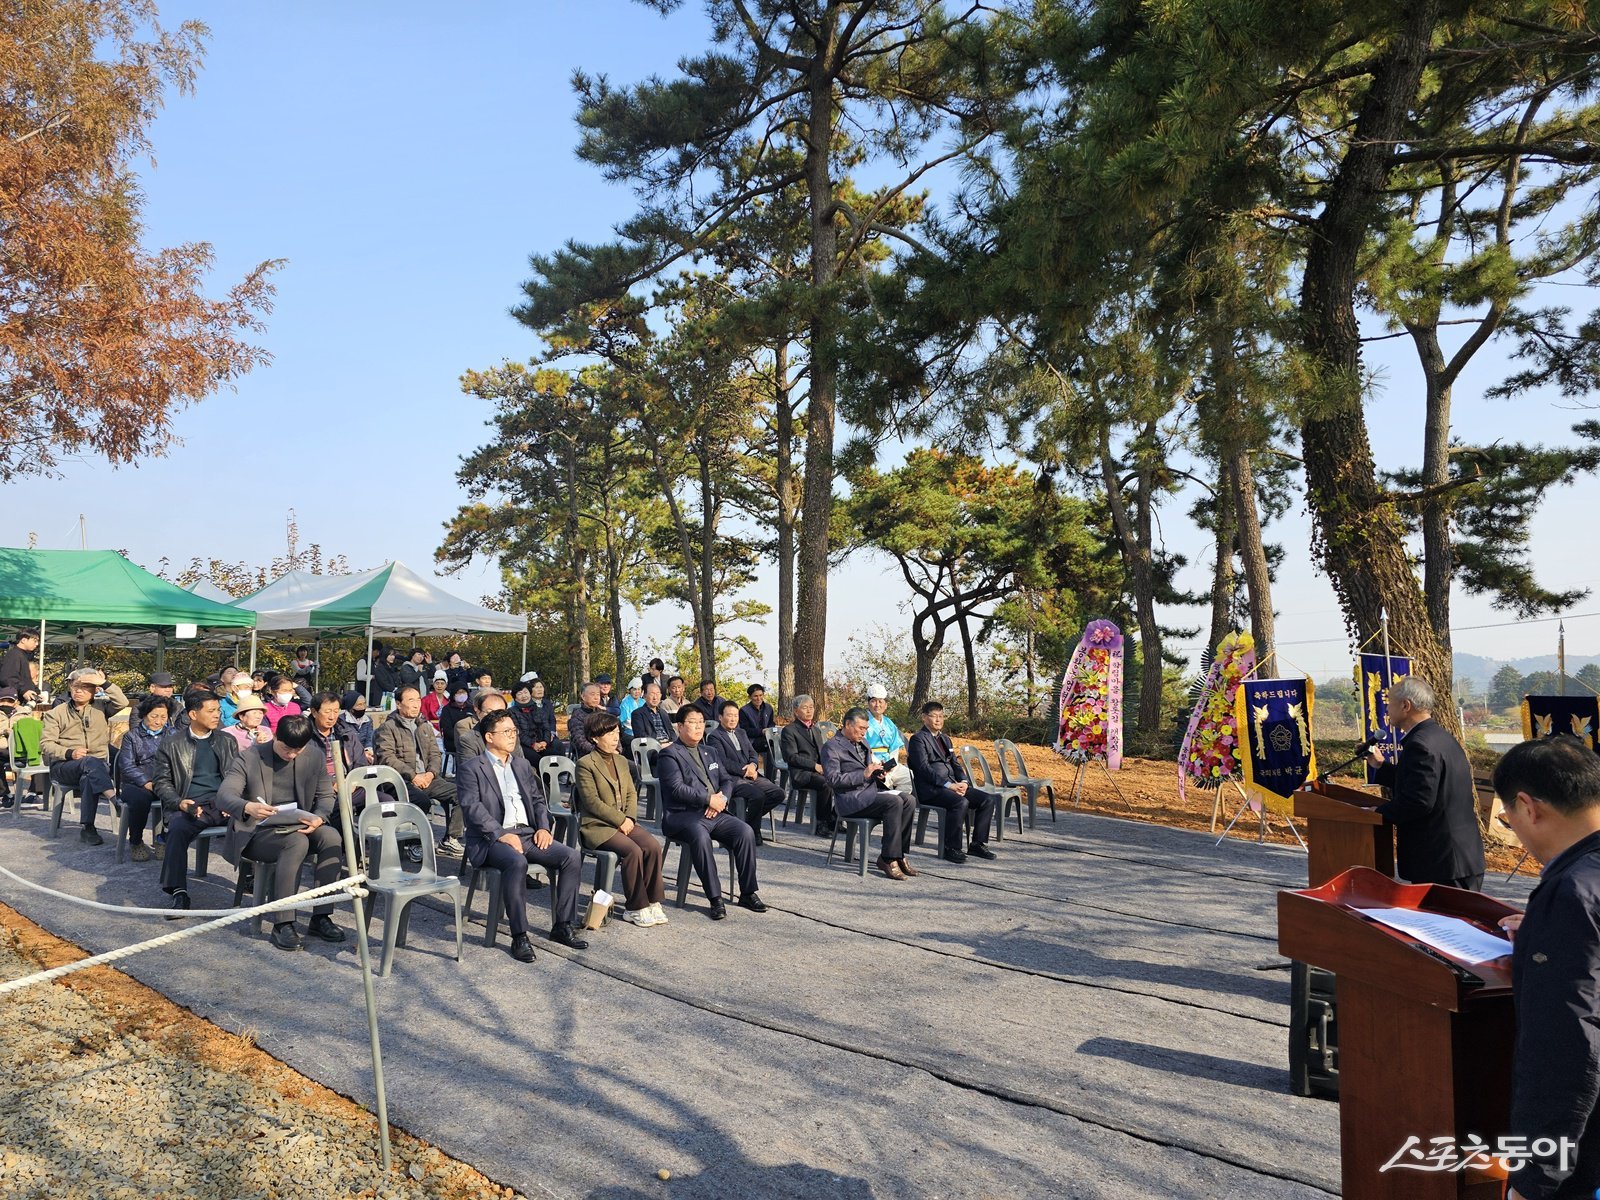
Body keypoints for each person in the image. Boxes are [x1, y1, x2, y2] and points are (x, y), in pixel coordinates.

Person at [1491, 735, 1600, 1200]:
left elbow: (1566, 1045)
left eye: (1508, 819)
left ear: (1528, 807)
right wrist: (1542, 932)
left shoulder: (1571, 894)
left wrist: (1535, 1176)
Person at [457, 710, 590, 961]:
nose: (512, 736)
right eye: (506, 731)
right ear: (489, 736)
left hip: (527, 834)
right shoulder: (471, 768)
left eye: (514, 731)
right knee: (516, 862)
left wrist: (543, 827)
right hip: (491, 839)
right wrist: (501, 834)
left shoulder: (521, 765)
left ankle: (563, 925)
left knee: (570, 856)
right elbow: (472, 808)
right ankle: (519, 935)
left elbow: (538, 800)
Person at [217, 715, 347, 952]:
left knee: (331, 837)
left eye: (298, 750)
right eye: (287, 749)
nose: (292, 755)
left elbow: (326, 795)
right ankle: (283, 922)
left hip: (299, 822)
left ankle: (322, 916)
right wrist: (248, 807)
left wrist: (319, 816)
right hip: (257, 831)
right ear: (275, 736)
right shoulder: (250, 757)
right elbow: (225, 795)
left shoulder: (314, 756)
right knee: (296, 842)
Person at [1365, 675, 1486, 890]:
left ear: (1405, 705)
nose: (1387, 710)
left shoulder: (1419, 744)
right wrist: (1381, 766)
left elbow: (1419, 800)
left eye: (1389, 703)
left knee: (1443, 913)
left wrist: (1376, 814)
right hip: (1457, 857)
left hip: (1443, 862)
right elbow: (1422, 783)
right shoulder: (1438, 736)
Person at [655, 706, 766, 919]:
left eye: (701, 722)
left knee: (745, 831)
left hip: (715, 811)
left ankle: (748, 892)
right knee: (700, 835)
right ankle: (715, 898)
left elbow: (726, 780)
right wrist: (709, 800)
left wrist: (721, 800)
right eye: (692, 722)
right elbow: (677, 789)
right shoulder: (669, 754)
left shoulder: (710, 751)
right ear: (680, 726)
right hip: (684, 816)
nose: (698, 727)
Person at [575, 711, 667, 927]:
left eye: (617, 732)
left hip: (624, 822)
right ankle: (635, 907)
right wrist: (620, 820)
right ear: (595, 737)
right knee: (633, 851)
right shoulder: (585, 764)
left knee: (652, 846)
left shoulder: (621, 761)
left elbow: (631, 793)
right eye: (609, 734)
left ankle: (652, 901)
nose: (615, 737)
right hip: (598, 826)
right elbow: (592, 802)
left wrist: (630, 818)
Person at [154, 690, 239, 912]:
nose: (217, 715)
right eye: (211, 711)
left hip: (222, 802)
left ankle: (250, 878)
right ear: (193, 714)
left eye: (218, 710)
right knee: (178, 828)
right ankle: (178, 891)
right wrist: (179, 802)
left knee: (254, 820)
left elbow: (238, 777)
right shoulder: (171, 744)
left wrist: (233, 800)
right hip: (190, 804)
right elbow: (161, 782)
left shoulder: (227, 741)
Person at [823, 707, 918, 881]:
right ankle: (887, 858)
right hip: (850, 799)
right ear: (847, 725)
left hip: (870, 792)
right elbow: (833, 780)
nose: (864, 733)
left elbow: (867, 771)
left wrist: (876, 773)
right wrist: (864, 774)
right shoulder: (831, 747)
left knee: (909, 800)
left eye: (866, 729)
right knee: (894, 802)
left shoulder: (864, 743)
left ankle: (899, 854)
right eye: (860, 728)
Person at [374, 685, 464, 859]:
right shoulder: (388, 727)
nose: (416, 704)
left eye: (418, 700)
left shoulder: (424, 726)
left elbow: (435, 754)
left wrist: (430, 774)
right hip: (401, 781)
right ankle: (414, 842)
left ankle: (450, 839)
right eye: (410, 700)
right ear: (399, 704)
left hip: (428, 778)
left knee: (463, 794)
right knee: (421, 801)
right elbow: (387, 758)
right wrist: (414, 776)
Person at [907, 701, 997, 864]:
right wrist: (949, 785)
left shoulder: (945, 739)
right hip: (931, 789)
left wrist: (963, 781)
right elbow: (923, 769)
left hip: (952, 785)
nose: (938, 720)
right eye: (934, 716)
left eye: (941, 716)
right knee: (960, 803)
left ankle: (977, 844)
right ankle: (951, 848)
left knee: (987, 800)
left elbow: (955, 764)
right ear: (924, 718)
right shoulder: (918, 739)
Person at [40, 668, 120, 846]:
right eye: (75, 686)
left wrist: (104, 683)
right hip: (65, 766)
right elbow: (46, 744)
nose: (78, 691)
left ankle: (88, 828)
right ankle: (115, 800)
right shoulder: (57, 713)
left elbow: (121, 701)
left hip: (97, 766)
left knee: (89, 775)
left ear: (94, 689)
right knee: (89, 764)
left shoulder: (101, 708)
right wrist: (69, 752)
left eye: (85, 687)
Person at [707, 700, 786, 843]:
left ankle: (747, 822)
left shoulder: (741, 732)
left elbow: (752, 753)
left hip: (751, 774)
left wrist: (753, 765)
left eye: (735, 715)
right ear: (720, 717)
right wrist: (745, 772)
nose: (733, 719)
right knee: (758, 795)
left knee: (778, 793)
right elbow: (722, 762)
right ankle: (754, 831)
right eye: (729, 715)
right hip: (733, 779)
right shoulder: (714, 736)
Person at [115, 695, 174, 862]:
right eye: (154, 716)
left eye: (163, 717)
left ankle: (164, 838)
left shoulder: (172, 734)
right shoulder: (131, 737)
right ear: (144, 715)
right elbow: (126, 765)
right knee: (140, 800)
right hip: (137, 783)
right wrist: (145, 782)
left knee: (179, 797)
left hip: (164, 780)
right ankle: (136, 841)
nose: (158, 721)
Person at [781, 694, 835, 836]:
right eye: (805, 707)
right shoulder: (789, 730)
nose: (809, 710)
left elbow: (822, 753)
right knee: (825, 783)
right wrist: (814, 766)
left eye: (811, 707)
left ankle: (834, 818)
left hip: (817, 771)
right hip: (801, 774)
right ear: (796, 711)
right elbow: (791, 757)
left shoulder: (816, 729)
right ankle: (821, 823)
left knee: (840, 778)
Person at [862, 684, 916, 801]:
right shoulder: (863, 721)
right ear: (868, 703)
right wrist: (877, 763)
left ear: (886, 705)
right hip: (871, 762)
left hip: (888, 761)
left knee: (908, 776)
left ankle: (898, 801)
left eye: (880, 701)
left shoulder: (889, 723)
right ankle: (889, 802)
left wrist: (892, 764)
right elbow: (862, 747)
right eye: (873, 701)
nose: (877, 705)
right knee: (883, 778)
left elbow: (894, 746)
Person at [454, 689, 524, 765]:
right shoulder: (468, 739)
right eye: (490, 712)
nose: (496, 718)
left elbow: (521, 764)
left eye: (501, 713)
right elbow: (470, 768)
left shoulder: (511, 733)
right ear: (478, 711)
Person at [567, 681, 608, 761]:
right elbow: (580, 741)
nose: (596, 697)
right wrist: (599, 751)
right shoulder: (577, 716)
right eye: (592, 694)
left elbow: (614, 732)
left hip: (607, 751)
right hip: (588, 755)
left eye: (598, 694)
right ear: (583, 696)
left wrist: (616, 749)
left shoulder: (603, 713)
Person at [630, 681, 675, 746]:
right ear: (645, 696)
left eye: (657, 694)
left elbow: (671, 732)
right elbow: (640, 735)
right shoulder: (637, 714)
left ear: (661, 695)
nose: (655, 697)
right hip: (652, 747)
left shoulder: (663, 713)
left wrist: (672, 743)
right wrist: (659, 745)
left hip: (669, 745)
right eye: (652, 694)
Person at [0, 630, 40, 701]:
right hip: (12, 701)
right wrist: (23, 691)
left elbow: (26, 680)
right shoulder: (14, 655)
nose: (37, 644)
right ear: (23, 640)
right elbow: (7, 678)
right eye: (34, 641)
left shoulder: (22, 655)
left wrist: (37, 692)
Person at [438, 686, 475, 758]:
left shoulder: (471, 708)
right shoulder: (447, 709)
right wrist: (462, 738)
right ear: (453, 695)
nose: (461, 695)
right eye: (458, 693)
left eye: (463, 693)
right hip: (453, 742)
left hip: (471, 740)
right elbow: (447, 729)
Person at [738, 684, 775, 751]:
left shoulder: (768, 708)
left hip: (768, 736)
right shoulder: (744, 711)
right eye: (755, 696)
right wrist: (761, 731)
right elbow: (744, 730)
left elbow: (771, 723)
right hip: (752, 740)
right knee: (769, 744)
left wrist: (770, 730)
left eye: (761, 695)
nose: (758, 698)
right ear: (749, 697)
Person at [339, 690, 375, 757]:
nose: (363, 707)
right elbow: (345, 743)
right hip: (348, 755)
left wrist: (367, 750)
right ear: (351, 708)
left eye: (364, 703)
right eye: (359, 705)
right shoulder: (341, 721)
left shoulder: (368, 720)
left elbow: (369, 739)